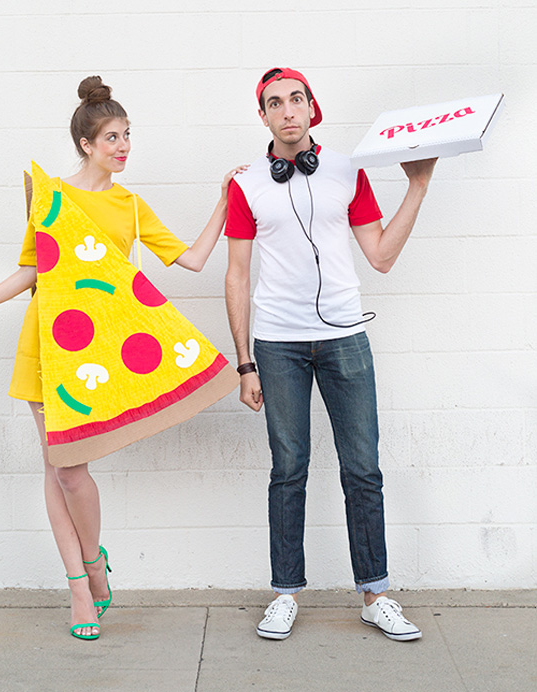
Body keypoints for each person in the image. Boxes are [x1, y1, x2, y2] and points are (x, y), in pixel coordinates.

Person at [0, 75, 244, 641]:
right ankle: (78, 586)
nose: (123, 147)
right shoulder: (51, 199)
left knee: (72, 471)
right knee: (59, 469)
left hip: (95, 352)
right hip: (46, 344)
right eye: (112, 137)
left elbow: (189, 260)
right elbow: (31, 271)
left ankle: (94, 561)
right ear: (87, 145)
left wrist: (221, 202)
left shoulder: (131, 207)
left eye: (126, 136)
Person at [224, 67, 437, 642]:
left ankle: (376, 594)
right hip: (277, 343)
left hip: (345, 337)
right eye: (275, 103)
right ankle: (286, 593)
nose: (287, 110)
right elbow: (237, 273)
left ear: (311, 108)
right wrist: (245, 362)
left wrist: (416, 186)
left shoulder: (347, 171)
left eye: (297, 99)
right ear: (263, 116)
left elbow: (382, 256)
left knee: (362, 470)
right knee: (288, 470)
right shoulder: (245, 185)